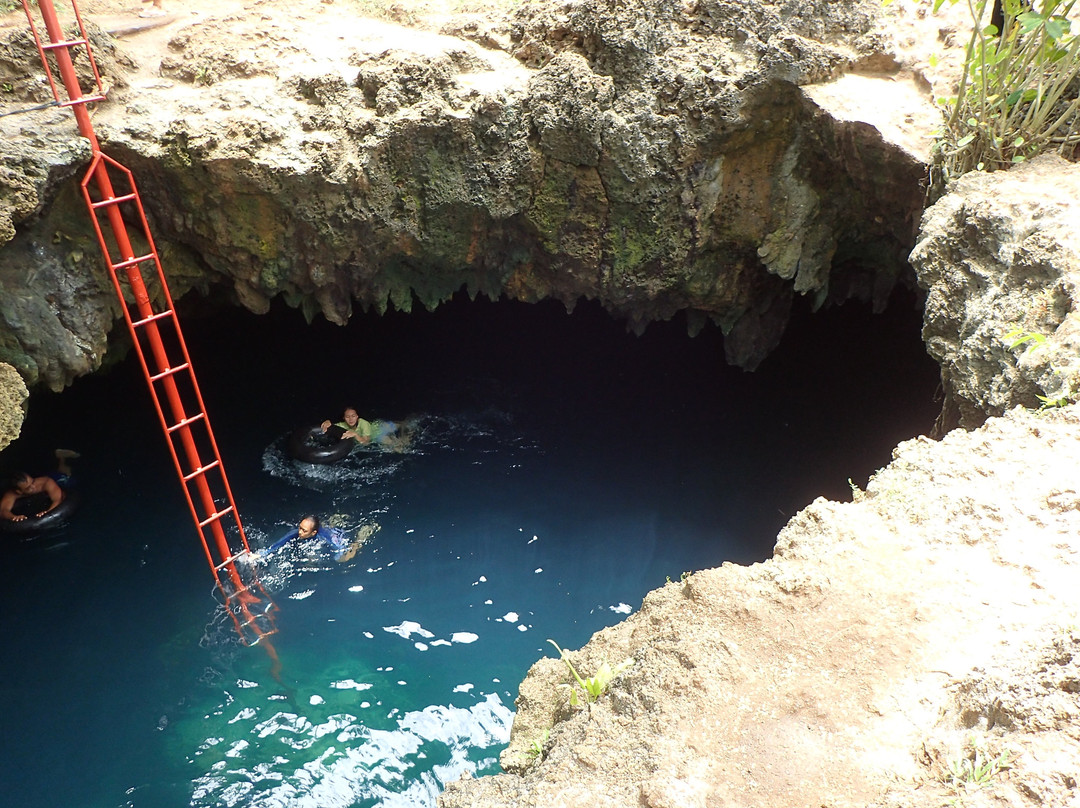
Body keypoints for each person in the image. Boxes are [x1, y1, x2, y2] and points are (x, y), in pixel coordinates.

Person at [0, 449, 78, 523]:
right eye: (28, 488)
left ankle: (62, 457)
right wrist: (13, 517)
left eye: (32, 482)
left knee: (66, 476)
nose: (33, 487)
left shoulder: (45, 482)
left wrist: (48, 512)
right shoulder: (11, 494)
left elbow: (58, 499)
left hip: (55, 480)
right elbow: (3, 511)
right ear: (19, 491)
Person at [262, 514, 378, 563]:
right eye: (300, 528)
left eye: (304, 531)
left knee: (342, 559)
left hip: (337, 537)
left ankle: (361, 536)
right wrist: (262, 554)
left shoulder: (325, 538)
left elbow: (341, 553)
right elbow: (280, 543)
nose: (300, 532)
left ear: (313, 533)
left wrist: (348, 552)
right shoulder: (297, 532)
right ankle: (335, 519)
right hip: (325, 529)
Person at [320, 407, 413, 452]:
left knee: (400, 445)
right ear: (344, 418)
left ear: (357, 416)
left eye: (353, 416)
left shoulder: (363, 423)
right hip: (374, 434)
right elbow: (329, 427)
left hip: (377, 432)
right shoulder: (341, 425)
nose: (351, 419)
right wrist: (327, 421)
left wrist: (355, 435)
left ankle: (410, 428)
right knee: (399, 451)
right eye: (347, 417)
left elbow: (366, 442)